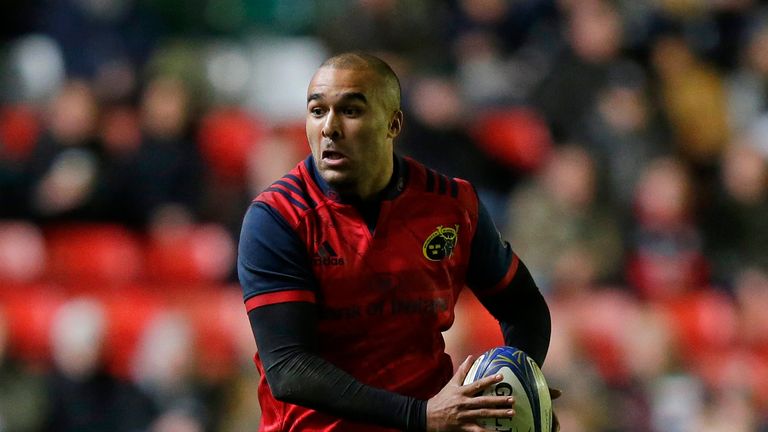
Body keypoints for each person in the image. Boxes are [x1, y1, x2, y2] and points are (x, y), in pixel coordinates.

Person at [237, 52, 553, 431]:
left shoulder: (451, 205)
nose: (329, 128)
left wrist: (516, 387)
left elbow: (525, 309)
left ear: (393, 123)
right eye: (317, 111)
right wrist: (419, 416)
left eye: (351, 111)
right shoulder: (277, 217)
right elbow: (289, 369)